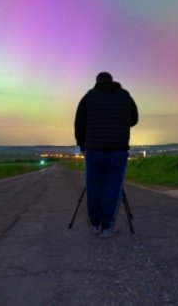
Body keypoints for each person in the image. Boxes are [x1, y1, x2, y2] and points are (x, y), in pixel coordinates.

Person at [74, 71, 138, 238]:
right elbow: (134, 119)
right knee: (113, 187)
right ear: (112, 81)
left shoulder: (89, 96)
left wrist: (82, 146)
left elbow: (79, 123)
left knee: (94, 186)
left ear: (97, 82)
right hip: (118, 149)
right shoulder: (125, 96)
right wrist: (120, 122)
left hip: (94, 149)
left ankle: (95, 224)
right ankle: (108, 226)